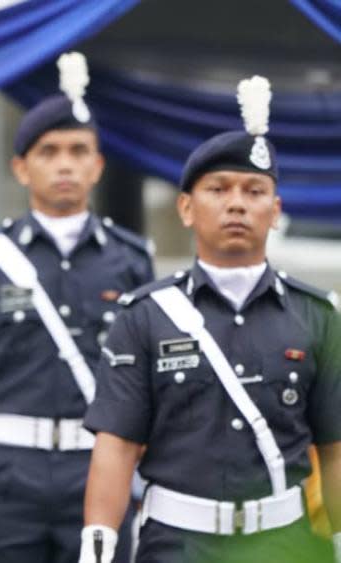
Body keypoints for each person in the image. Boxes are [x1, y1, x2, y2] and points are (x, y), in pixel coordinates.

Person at [81, 76, 340, 563]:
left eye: (254, 190)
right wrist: (97, 547)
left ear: (276, 209)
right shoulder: (146, 317)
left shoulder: (319, 317)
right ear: (185, 208)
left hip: (284, 543)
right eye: (218, 189)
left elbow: (335, 448)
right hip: (177, 543)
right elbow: (116, 446)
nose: (237, 202)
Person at [0, 52, 153, 563]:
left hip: (100, 469)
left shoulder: (132, 261)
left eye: (77, 150)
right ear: (21, 168)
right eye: (48, 151)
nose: (65, 163)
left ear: (98, 165)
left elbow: (148, 387)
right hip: (7, 475)